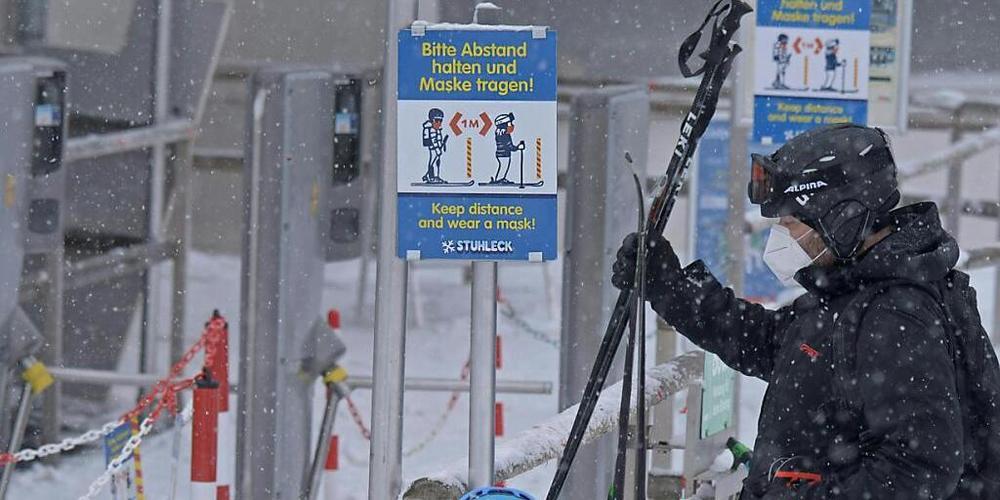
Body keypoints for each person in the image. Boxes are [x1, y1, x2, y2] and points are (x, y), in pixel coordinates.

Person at [612, 124, 996, 498]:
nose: (781, 236)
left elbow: (917, 471)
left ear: (841, 220)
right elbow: (772, 343)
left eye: (790, 222)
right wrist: (670, 286)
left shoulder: (894, 318)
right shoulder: (854, 287)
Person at [490, 112, 524, 185]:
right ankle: (499, 179)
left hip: (500, 153)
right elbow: (509, 146)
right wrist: (518, 147)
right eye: (510, 123)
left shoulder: (499, 133)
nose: (511, 125)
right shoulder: (505, 135)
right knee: (504, 167)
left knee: (503, 166)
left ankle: (499, 179)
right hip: (504, 154)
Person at [422, 108, 448, 183]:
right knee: (433, 162)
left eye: (441, 121)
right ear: (432, 120)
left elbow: (438, 139)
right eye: (437, 120)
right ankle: (432, 177)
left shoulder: (437, 130)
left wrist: (441, 146)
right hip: (433, 149)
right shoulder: (432, 130)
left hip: (437, 149)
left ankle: (436, 176)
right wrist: (437, 150)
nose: (439, 123)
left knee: (436, 162)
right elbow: (434, 141)